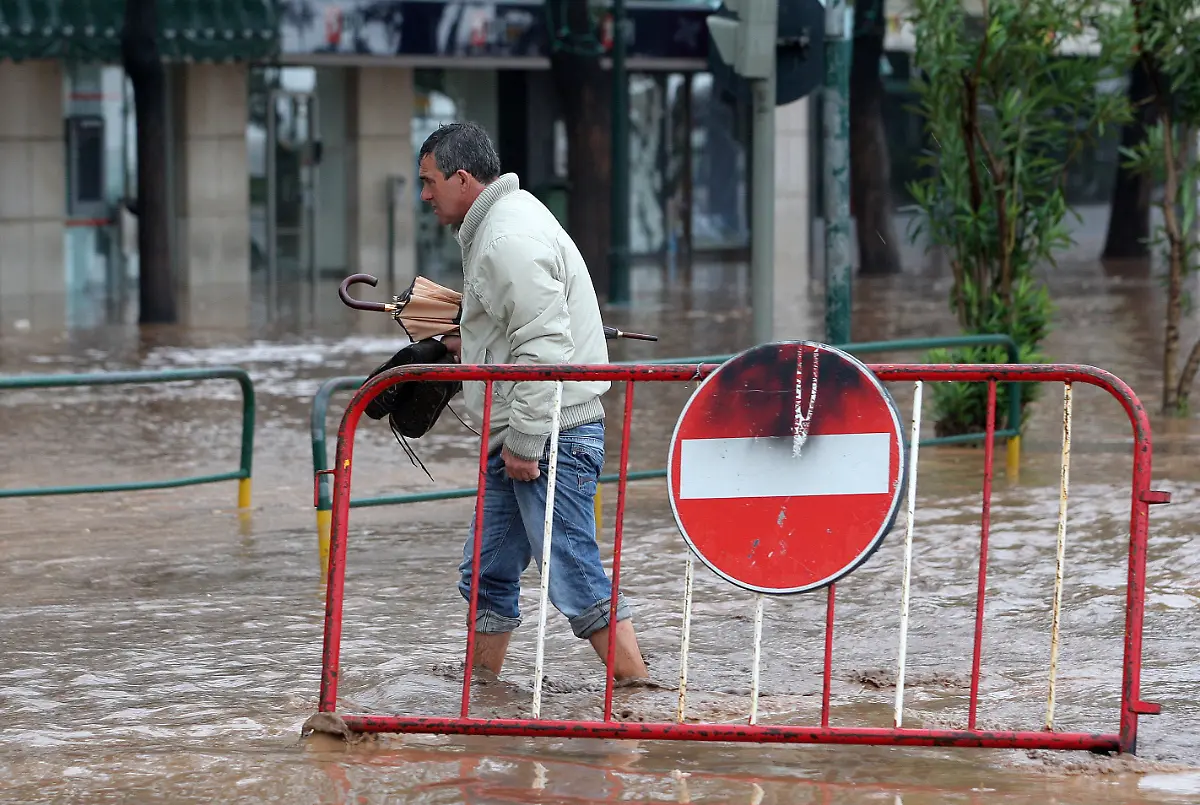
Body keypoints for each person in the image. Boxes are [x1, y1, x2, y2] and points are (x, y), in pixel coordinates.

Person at [416, 122, 649, 682]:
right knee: (489, 572)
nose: (424, 195)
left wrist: (525, 442)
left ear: (463, 178)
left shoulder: (504, 239)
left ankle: (640, 697)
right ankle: (481, 695)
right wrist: (464, 341)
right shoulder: (505, 220)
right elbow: (522, 327)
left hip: (546, 434)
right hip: (528, 428)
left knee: (572, 571)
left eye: (428, 182)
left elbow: (545, 346)